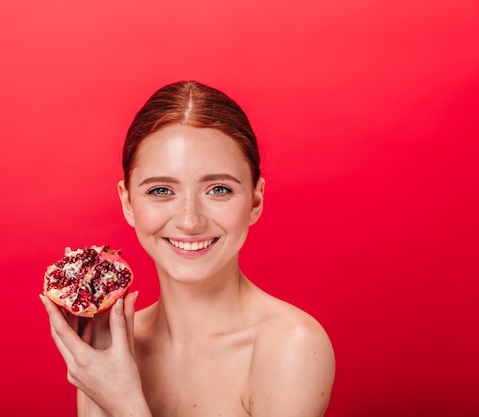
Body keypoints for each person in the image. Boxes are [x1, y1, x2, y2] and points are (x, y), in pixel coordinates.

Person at [40, 80, 336, 417]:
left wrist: (124, 404)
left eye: (219, 189)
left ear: (255, 200)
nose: (189, 220)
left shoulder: (291, 347)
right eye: (162, 191)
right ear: (127, 202)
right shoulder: (113, 345)